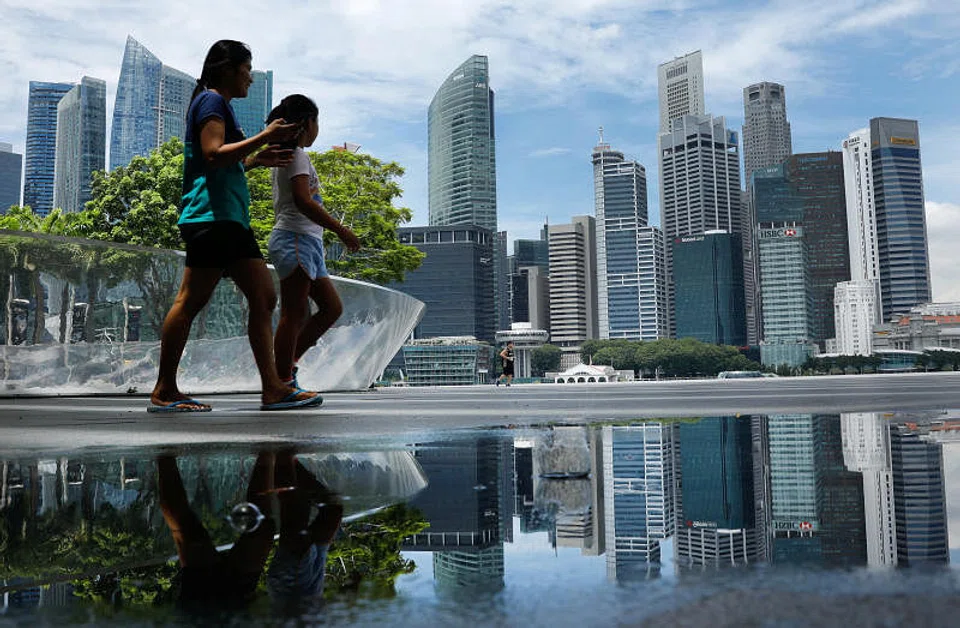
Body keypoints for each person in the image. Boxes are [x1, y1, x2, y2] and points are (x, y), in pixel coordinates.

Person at [149, 40, 321, 412]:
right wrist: (265, 137)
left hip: (226, 217)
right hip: (213, 216)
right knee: (195, 301)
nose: (250, 79)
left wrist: (258, 159)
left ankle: (271, 388)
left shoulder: (217, 104)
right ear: (227, 69)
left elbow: (224, 162)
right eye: (246, 70)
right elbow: (212, 155)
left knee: (262, 297)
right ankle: (165, 390)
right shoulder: (212, 102)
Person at [266, 95, 360, 390]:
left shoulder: (291, 156)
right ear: (307, 123)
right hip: (295, 239)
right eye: (317, 121)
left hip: (307, 242)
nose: (318, 128)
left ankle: (287, 368)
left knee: (331, 308)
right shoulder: (296, 156)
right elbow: (303, 201)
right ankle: (281, 382)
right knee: (294, 314)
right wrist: (341, 230)